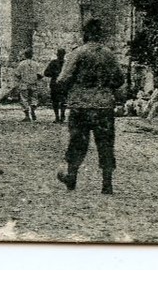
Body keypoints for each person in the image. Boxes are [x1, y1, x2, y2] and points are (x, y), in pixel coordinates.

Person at [54, 20, 125, 194]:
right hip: (104, 105)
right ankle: (107, 183)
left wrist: (71, 87)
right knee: (106, 143)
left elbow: (62, 79)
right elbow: (120, 79)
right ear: (100, 34)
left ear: (84, 34)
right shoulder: (109, 54)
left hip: (81, 105)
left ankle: (71, 176)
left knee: (77, 141)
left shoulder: (77, 53)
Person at [13, 49, 44, 121]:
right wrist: (36, 79)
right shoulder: (36, 64)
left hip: (24, 83)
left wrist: (21, 78)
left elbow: (17, 74)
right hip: (33, 83)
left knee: (24, 99)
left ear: (25, 55)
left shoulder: (22, 64)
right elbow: (41, 74)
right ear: (32, 55)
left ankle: (27, 115)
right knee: (34, 98)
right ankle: (33, 110)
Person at [43, 49, 67, 122]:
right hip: (64, 83)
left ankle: (57, 116)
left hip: (55, 83)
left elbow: (46, 73)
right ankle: (62, 114)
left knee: (55, 101)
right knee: (64, 100)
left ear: (57, 54)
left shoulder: (53, 62)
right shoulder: (67, 63)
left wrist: (53, 74)